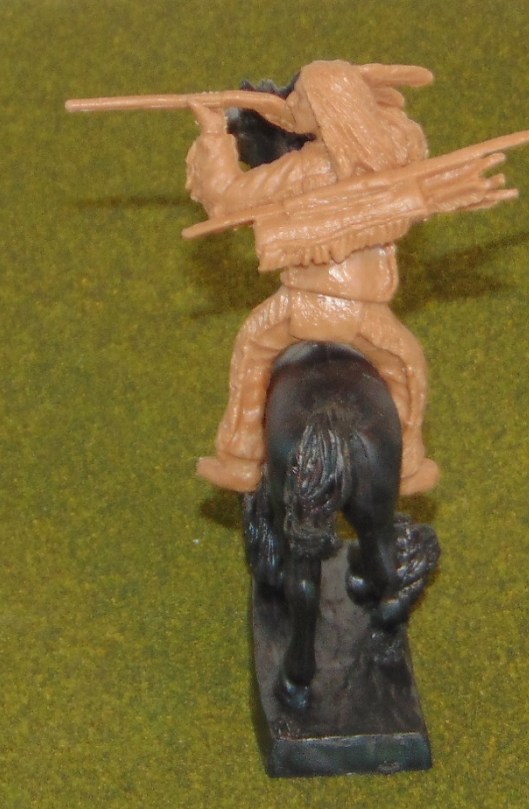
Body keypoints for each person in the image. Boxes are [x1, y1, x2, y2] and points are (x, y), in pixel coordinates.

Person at [186, 60, 442, 496]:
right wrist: (368, 96)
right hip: (367, 311)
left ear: (326, 108)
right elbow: (408, 132)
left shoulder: (305, 169)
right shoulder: (393, 151)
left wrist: (214, 134)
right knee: (407, 368)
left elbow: (229, 201)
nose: (295, 105)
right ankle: (407, 464)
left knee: (251, 351)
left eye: (303, 98)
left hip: (302, 305)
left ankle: (240, 456)